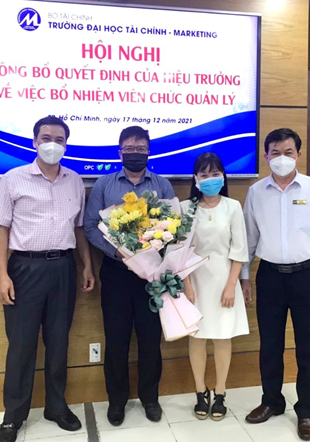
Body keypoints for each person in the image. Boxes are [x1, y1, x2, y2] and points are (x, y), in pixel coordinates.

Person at [0, 116, 95, 442]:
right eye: (46, 138)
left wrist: (87, 266)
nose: (52, 144)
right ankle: (13, 416)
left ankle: (56, 407)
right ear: (35, 141)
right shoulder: (13, 179)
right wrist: (2, 275)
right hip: (25, 268)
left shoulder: (75, 181)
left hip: (63, 267)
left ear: (66, 144)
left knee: (58, 342)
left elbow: (79, 228)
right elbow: (0, 229)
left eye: (59, 139)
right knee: (21, 345)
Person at [240, 128, 310, 441]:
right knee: (270, 344)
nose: (282, 158)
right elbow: (248, 239)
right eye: (275, 153)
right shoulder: (256, 192)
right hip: (270, 276)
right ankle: (272, 401)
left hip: (308, 276)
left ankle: (307, 410)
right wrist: (244, 277)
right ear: (266, 156)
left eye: (288, 152)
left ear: (298, 154)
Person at [84, 126, 174, 426]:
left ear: (149, 151)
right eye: (130, 149)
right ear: (120, 152)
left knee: (150, 340)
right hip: (116, 273)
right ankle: (117, 400)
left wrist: (154, 248)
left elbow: (172, 226)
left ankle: (150, 398)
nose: (136, 153)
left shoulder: (162, 185)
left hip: (151, 275)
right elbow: (90, 226)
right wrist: (118, 253)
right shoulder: (104, 184)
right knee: (117, 339)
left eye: (141, 149)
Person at [181, 152, 250, 421]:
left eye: (215, 174)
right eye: (204, 174)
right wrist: (186, 285)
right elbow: (180, 252)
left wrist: (231, 286)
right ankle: (201, 391)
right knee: (197, 337)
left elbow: (239, 250)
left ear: (223, 176)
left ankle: (220, 392)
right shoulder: (186, 209)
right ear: (195, 179)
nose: (210, 179)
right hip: (194, 281)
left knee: (222, 336)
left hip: (224, 280)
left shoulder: (233, 207)